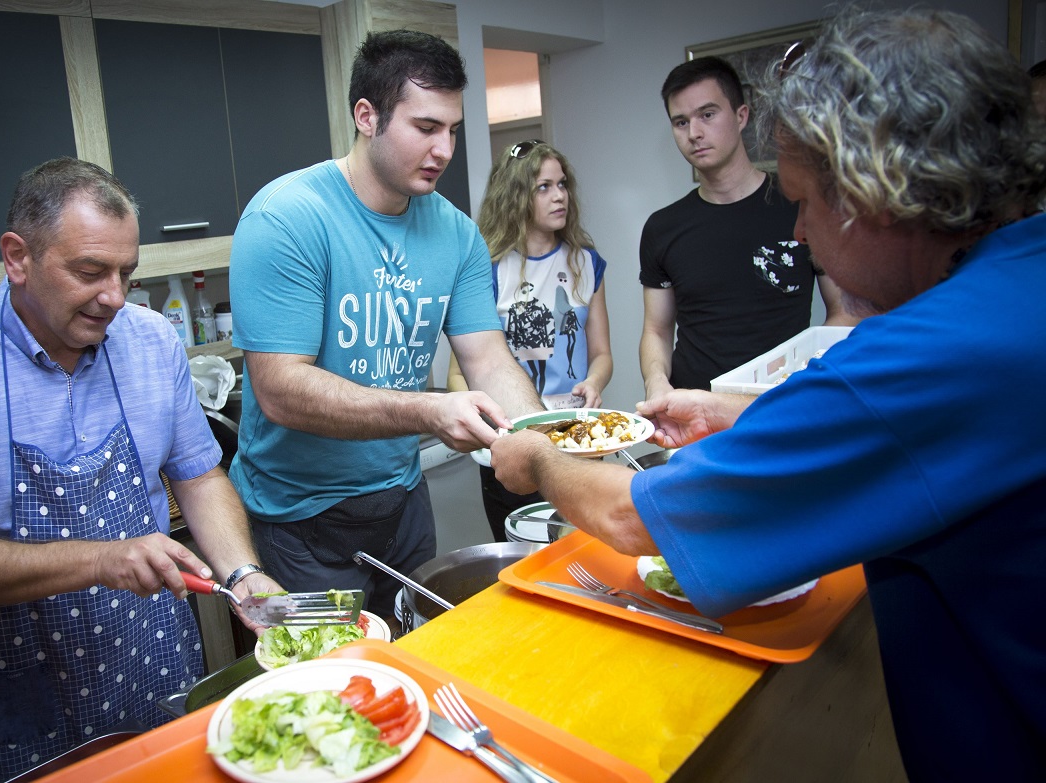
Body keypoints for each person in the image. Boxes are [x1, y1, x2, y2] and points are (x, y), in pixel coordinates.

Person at [492, 8, 1046, 780]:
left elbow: (633, 516)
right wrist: (739, 411)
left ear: (876, 194)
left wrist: (539, 458)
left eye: (806, 202)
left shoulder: (933, 349)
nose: (800, 232)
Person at [0, 157, 281, 783]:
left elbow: (199, 476)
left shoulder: (152, 340)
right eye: (90, 272)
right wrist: (101, 560)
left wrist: (244, 574)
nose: (115, 296)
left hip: (159, 662)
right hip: (25, 693)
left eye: (126, 273)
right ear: (18, 257)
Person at [227, 30, 542, 616]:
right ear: (367, 116)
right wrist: (428, 411)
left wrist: (541, 442)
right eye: (425, 127)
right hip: (299, 520)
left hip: (402, 503)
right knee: (335, 670)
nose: (444, 149)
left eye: (453, 130)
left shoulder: (456, 233)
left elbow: (489, 359)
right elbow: (280, 390)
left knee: (414, 652)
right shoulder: (287, 218)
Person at [639, 55, 854, 401]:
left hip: (781, 405)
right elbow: (656, 329)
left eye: (708, 114)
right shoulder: (662, 227)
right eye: (681, 122)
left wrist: (806, 377)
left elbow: (844, 311)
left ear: (741, 116)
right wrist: (656, 383)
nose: (694, 133)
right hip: (695, 410)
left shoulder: (801, 208)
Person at [446, 140, 612, 541]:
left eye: (562, 184)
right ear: (516, 195)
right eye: (544, 187)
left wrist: (594, 381)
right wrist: (490, 424)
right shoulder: (487, 269)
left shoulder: (585, 261)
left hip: (577, 440)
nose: (560, 196)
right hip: (513, 447)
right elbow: (458, 374)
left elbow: (602, 354)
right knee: (523, 557)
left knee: (583, 552)